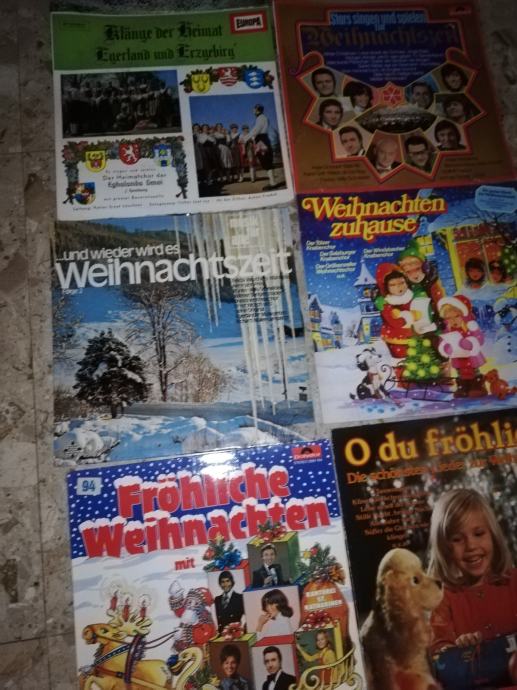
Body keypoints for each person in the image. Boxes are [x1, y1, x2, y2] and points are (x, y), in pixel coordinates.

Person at [428, 489, 517, 653]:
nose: (471, 546)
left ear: (493, 535)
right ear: (444, 547)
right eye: (457, 539)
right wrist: (459, 650)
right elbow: (439, 651)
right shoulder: (442, 600)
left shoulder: (513, 582)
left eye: (478, 534)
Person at [244, 104, 276, 188]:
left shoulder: (261, 118)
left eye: (254, 109)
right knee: (266, 160)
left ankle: (273, 183)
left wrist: (245, 138)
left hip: (262, 140)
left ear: (257, 110)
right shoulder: (262, 118)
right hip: (262, 139)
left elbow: (256, 130)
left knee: (266, 160)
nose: (253, 111)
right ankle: (272, 182)